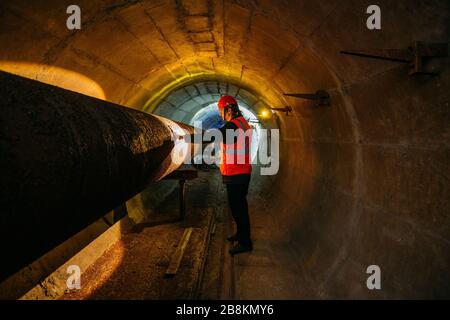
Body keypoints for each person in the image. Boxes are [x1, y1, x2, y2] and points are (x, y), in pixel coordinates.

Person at [217, 95, 253, 255]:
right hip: (239, 172)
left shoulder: (233, 126)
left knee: (239, 209)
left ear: (229, 109)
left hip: (236, 173)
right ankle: (241, 234)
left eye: (221, 111)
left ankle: (245, 242)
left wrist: (188, 138)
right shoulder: (242, 123)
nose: (220, 114)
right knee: (237, 207)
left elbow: (214, 135)